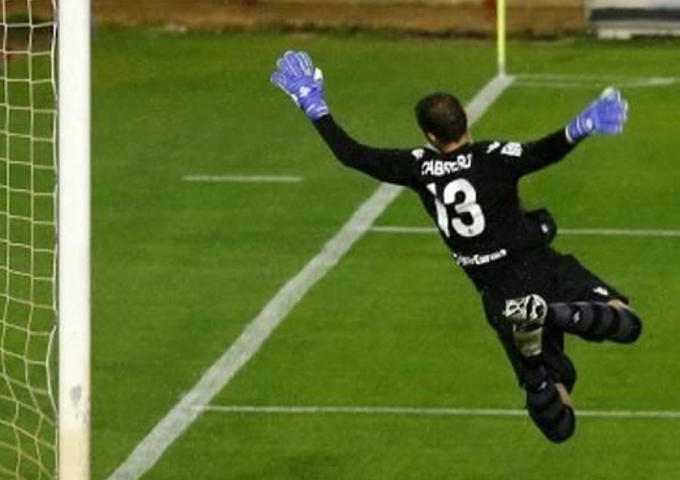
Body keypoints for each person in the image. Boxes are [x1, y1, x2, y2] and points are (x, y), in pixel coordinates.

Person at [269, 50, 642, 443]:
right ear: (465, 117)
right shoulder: (493, 157)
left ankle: (535, 362)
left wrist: (315, 106)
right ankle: (554, 313)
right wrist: (581, 126)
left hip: (501, 295)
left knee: (559, 423)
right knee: (627, 323)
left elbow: (352, 155)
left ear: (430, 137)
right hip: (541, 265)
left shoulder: (420, 168)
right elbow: (541, 152)